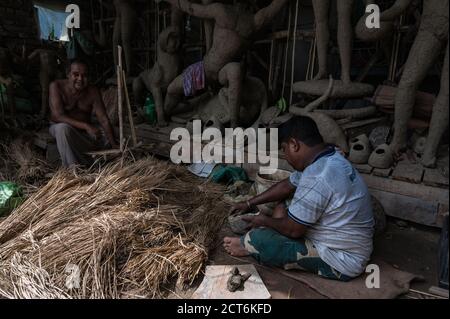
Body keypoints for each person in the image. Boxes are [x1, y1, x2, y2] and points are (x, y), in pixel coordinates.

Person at [224, 116, 375, 281]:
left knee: (257, 239)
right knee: (282, 204)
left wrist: (263, 221)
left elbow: (293, 230)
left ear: (294, 144)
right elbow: (287, 185)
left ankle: (248, 246)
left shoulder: (317, 176)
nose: (286, 157)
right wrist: (248, 202)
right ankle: (274, 228)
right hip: (346, 235)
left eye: (284, 149)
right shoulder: (329, 157)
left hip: (343, 258)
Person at [49, 59, 118, 167]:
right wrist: (86, 126)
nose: (80, 79)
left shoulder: (93, 91)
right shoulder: (56, 86)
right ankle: (73, 170)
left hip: (83, 135)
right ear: (68, 74)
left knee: (106, 139)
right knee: (62, 128)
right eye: (76, 74)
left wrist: (114, 145)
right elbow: (57, 116)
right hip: (60, 129)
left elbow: (103, 119)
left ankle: (91, 164)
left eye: (84, 75)